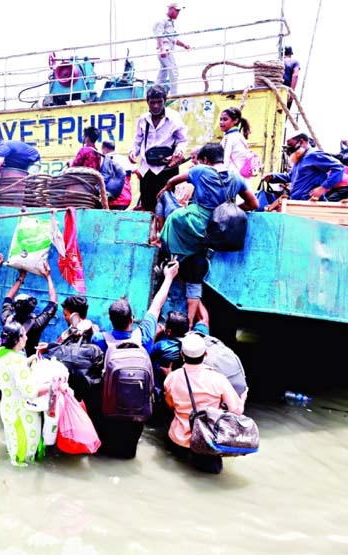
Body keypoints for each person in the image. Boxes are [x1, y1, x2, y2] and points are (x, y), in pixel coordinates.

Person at [159, 143, 258, 326]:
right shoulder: (236, 176)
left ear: (205, 159)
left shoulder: (201, 170)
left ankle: (170, 258)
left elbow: (173, 181)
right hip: (216, 231)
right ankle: (188, 324)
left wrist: (164, 190)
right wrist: (228, 211)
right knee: (196, 274)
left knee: (171, 216)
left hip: (193, 224)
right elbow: (254, 204)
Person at [92, 260, 179, 459]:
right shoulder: (145, 337)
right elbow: (157, 306)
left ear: (110, 320)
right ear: (132, 319)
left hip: (107, 407)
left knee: (104, 451)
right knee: (128, 453)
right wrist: (169, 278)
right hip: (136, 410)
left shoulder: (100, 340)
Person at [164, 332, 246, 474]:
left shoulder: (171, 378)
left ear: (182, 354)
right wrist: (243, 397)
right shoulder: (218, 379)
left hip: (178, 442)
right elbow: (236, 411)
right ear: (206, 354)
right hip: (206, 444)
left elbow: (170, 406)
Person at [128, 85, 189, 221]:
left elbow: (183, 140)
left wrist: (178, 152)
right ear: (147, 102)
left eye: (159, 102)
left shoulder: (174, 118)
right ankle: (150, 236)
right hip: (147, 169)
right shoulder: (143, 119)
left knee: (167, 204)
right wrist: (133, 152)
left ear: (164, 100)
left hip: (166, 169)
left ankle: (164, 236)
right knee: (147, 205)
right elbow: (137, 139)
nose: (156, 106)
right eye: (152, 102)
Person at [0, 321, 46, 466]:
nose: (27, 338)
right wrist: (52, 386)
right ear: (17, 339)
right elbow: (30, 392)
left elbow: (10, 372)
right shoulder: (17, 360)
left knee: (14, 442)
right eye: (24, 335)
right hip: (22, 412)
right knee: (24, 448)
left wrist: (28, 361)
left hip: (8, 407)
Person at [262, 132, 346, 201]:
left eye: (290, 145)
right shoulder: (300, 159)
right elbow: (291, 176)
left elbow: (338, 168)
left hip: (310, 204)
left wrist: (323, 187)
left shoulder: (313, 155)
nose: (289, 149)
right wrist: (273, 177)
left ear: (301, 142)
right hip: (298, 202)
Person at [0, 264, 58, 357]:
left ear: (14, 307)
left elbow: (8, 298)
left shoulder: (7, 320)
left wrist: (21, 277)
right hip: (26, 364)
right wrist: (48, 277)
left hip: (6, 361)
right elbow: (53, 303)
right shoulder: (37, 324)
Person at [153, 2, 190, 96]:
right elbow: (159, 35)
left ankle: (155, 92)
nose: (178, 13)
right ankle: (174, 95)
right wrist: (162, 49)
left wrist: (184, 45)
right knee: (174, 71)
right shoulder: (161, 20)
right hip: (165, 50)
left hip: (166, 50)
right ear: (171, 9)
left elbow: (173, 39)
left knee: (163, 73)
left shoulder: (170, 23)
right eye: (176, 10)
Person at [219, 107, 253, 176]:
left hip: (232, 177)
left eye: (225, 119)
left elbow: (224, 160)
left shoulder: (228, 138)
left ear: (235, 120)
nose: (221, 122)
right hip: (243, 177)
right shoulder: (239, 136)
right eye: (221, 119)